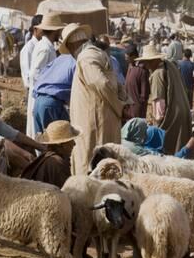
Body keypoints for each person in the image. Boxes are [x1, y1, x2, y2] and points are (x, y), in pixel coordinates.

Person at [70, 37, 127, 175]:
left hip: (96, 119)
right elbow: (105, 83)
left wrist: (119, 105)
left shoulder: (88, 57)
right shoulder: (89, 57)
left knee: (93, 159)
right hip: (93, 118)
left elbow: (102, 83)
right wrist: (120, 105)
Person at [32, 23, 91, 133]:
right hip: (52, 104)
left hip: (39, 102)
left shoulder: (60, 59)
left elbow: (41, 75)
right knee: (60, 142)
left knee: (43, 142)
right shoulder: (78, 62)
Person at [140, 44, 192, 155]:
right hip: (182, 111)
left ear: (152, 61)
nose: (145, 64)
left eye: (146, 61)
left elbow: (159, 103)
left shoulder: (157, 74)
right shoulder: (169, 65)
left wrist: (157, 125)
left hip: (172, 117)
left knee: (169, 151)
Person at [26, 13, 65, 138]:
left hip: (42, 94)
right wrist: (47, 88)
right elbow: (35, 73)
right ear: (55, 31)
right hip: (42, 95)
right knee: (44, 134)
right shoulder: (45, 48)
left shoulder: (48, 46)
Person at [20, 120, 80, 188]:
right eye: (71, 141)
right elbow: (67, 193)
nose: (74, 144)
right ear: (61, 144)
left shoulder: (46, 158)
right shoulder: (57, 164)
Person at [123, 44, 150, 121]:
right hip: (128, 107)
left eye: (127, 56)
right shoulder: (130, 66)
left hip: (137, 110)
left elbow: (144, 94)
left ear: (133, 56)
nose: (125, 58)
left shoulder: (142, 70)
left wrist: (139, 106)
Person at [19, 15, 43, 93]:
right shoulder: (28, 48)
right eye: (42, 27)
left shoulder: (43, 45)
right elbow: (27, 74)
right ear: (35, 29)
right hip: (33, 90)